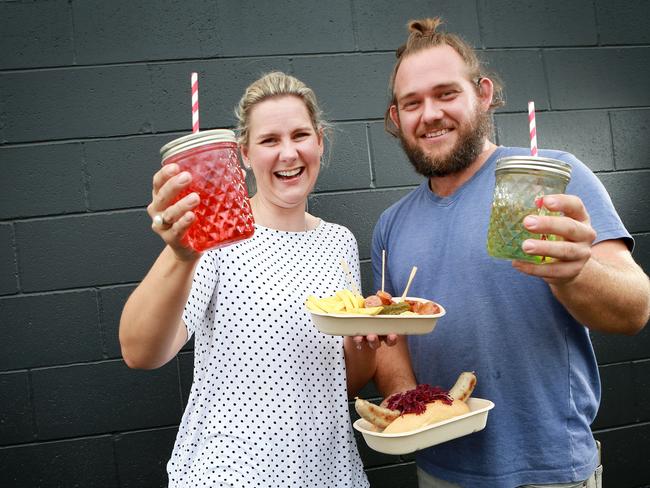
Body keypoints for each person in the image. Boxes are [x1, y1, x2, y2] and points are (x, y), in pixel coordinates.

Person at [371, 17, 650, 488]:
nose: (430, 114)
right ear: (397, 119)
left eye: (446, 94)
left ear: (481, 94)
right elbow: (391, 337)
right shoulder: (390, 224)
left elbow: (634, 309)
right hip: (438, 470)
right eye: (412, 103)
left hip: (550, 473)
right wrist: (414, 407)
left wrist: (575, 272)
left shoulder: (554, 178)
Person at [119, 71, 373, 487]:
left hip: (329, 473)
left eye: (300, 135)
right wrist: (181, 253)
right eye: (270, 140)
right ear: (244, 153)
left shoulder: (339, 242)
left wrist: (366, 345)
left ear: (320, 141)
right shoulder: (216, 236)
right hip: (234, 473)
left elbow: (340, 381)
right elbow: (140, 352)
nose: (288, 153)